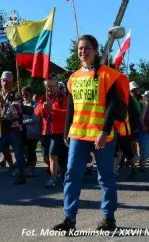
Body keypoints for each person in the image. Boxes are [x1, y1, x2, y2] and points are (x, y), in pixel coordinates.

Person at [53, 34, 128, 233]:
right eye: (80, 48)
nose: (83, 51)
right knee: (71, 175)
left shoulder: (107, 74)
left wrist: (104, 131)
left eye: (87, 48)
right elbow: (71, 106)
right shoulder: (73, 77)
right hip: (78, 134)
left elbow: (112, 104)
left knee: (105, 177)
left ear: (95, 51)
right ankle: (69, 219)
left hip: (101, 135)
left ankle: (108, 218)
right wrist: (67, 130)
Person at [35, 73, 68, 189]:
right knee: (45, 157)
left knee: (52, 154)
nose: (50, 89)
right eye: (48, 86)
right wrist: (43, 108)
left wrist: (52, 110)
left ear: (57, 85)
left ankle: (53, 179)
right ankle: (58, 170)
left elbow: (66, 112)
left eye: (52, 86)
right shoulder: (43, 98)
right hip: (46, 132)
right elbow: (37, 112)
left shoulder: (62, 97)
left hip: (58, 132)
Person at [21, 85, 40, 177]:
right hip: (23, 132)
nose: (24, 96)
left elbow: (35, 119)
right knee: (24, 148)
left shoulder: (34, 105)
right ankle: (27, 165)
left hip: (32, 132)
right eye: (23, 94)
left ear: (30, 94)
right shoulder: (21, 104)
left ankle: (32, 170)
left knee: (31, 150)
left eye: (26, 94)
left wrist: (24, 122)